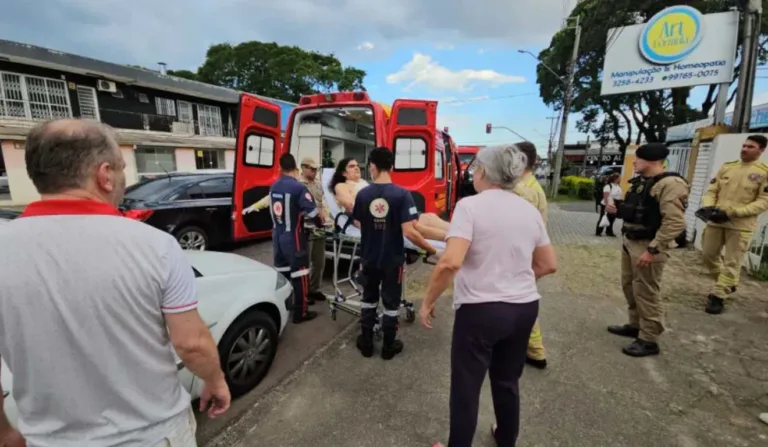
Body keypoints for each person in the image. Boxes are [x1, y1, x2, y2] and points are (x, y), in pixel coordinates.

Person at [0, 119, 230, 447]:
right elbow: (191, 343)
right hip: (151, 434)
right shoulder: (156, 246)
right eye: (123, 168)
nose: (125, 178)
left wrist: (5, 432)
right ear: (104, 174)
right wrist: (215, 380)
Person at [419, 144, 558, 447]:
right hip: (524, 308)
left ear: (482, 171)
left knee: (466, 387)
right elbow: (548, 264)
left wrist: (428, 302)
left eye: (475, 168)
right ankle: (506, 438)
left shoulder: (470, 206)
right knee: (507, 381)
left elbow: (450, 261)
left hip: (480, 311)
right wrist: (514, 278)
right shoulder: (529, 210)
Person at [352, 147, 438, 360]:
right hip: (392, 260)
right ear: (391, 166)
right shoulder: (402, 195)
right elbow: (410, 231)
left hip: (369, 257)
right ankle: (389, 347)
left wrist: (374, 227)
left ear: (372, 166)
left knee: (368, 299)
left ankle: (366, 343)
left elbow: (357, 222)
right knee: (391, 302)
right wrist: (431, 249)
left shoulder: (363, 195)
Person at [607, 143, 689, 357]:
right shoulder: (641, 182)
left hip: (649, 245)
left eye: (638, 159)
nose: (635, 162)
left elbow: (674, 222)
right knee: (630, 286)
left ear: (651, 161)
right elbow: (639, 211)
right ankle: (635, 325)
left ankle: (649, 338)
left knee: (646, 291)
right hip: (631, 242)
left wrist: (653, 250)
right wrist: (619, 210)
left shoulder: (671, 184)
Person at [699, 135, 768, 315]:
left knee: (732, 261)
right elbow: (712, 190)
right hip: (716, 219)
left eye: (750, 147)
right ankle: (728, 283)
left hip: (740, 224)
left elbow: (763, 201)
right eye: (744, 145)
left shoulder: (763, 172)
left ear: (761, 150)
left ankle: (718, 295)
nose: (744, 149)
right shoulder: (728, 167)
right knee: (708, 255)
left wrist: (735, 212)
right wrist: (708, 206)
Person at [329, 157, 451, 241]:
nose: (356, 168)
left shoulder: (363, 182)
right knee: (416, 226)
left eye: (357, 165)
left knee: (430, 217)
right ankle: (455, 239)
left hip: (385, 211)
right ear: (344, 173)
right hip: (372, 217)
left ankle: (461, 232)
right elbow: (350, 205)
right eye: (351, 166)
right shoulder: (342, 186)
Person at [270, 153, 325, 324]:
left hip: (277, 237)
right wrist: (321, 224)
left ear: (280, 167)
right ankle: (300, 313)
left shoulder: (274, 186)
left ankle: (283, 309)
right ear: (296, 168)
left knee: (283, 275)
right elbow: (313, 212)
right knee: (300, 275)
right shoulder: (298, 188)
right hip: (293, 237)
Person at [513, 141, 550, 370]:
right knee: (522, 299)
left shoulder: (522, 191)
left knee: (520, 301)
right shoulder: (531, 186)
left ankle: (535, 351)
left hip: (523, 254)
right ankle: (532, 348)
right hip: (530, 251)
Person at [298, 156, 332, 303]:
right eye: (312, 169)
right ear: (303, 168)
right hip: (305, 227)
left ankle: (314, 289)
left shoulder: (318, 183)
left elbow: (321, 202)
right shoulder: (298, 185)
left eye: (316, 169)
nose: (315, 172)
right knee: (305, 263)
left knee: (319, 261)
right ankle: (303, 294)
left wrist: (326, 215)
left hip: (319, 227)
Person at [596, 172, 622, 237]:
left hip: (615, 203)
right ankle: (598, 231)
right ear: (615, 178)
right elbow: (605, 196)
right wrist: (606, 205)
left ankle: (609, 231)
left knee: (612, 218)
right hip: (608, 202)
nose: (620, 179)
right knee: (603, 216)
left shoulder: (618, 186)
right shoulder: (608, 186)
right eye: (619, 178)